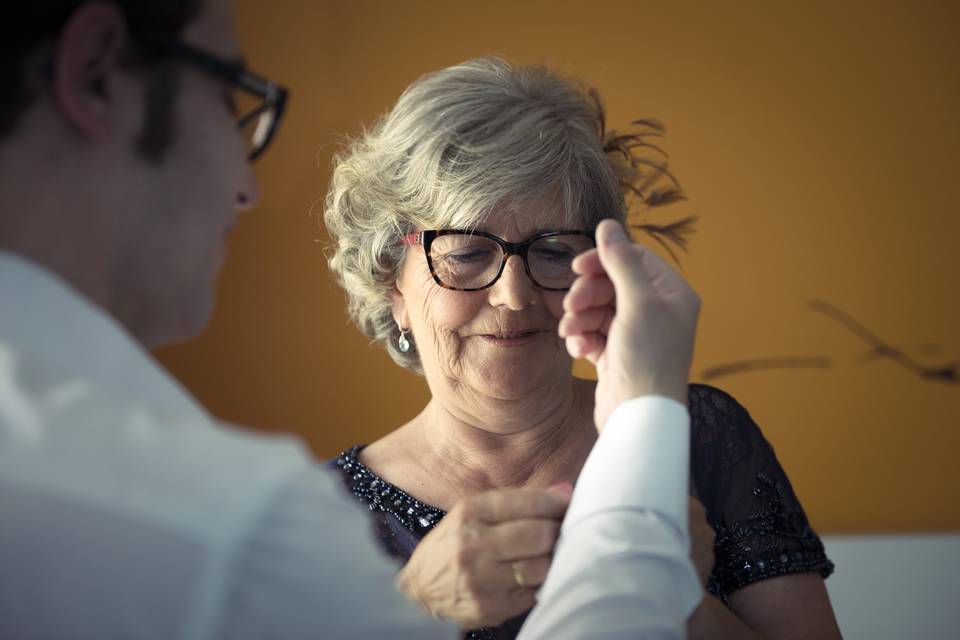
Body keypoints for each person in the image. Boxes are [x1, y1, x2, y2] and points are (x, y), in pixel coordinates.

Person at [1, 1, 705, 638]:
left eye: (552, 250)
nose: (246, 188)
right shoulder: (230, 523)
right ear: (95, 74)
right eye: (227, 97)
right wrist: (646, 430)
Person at [324, 57, 842, 639]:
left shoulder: (698, 437)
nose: (514, 296)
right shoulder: (320, 516)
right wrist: (414, 609)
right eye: (467, 253)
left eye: (551, 251)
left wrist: (676, 599)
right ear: (392, 285)